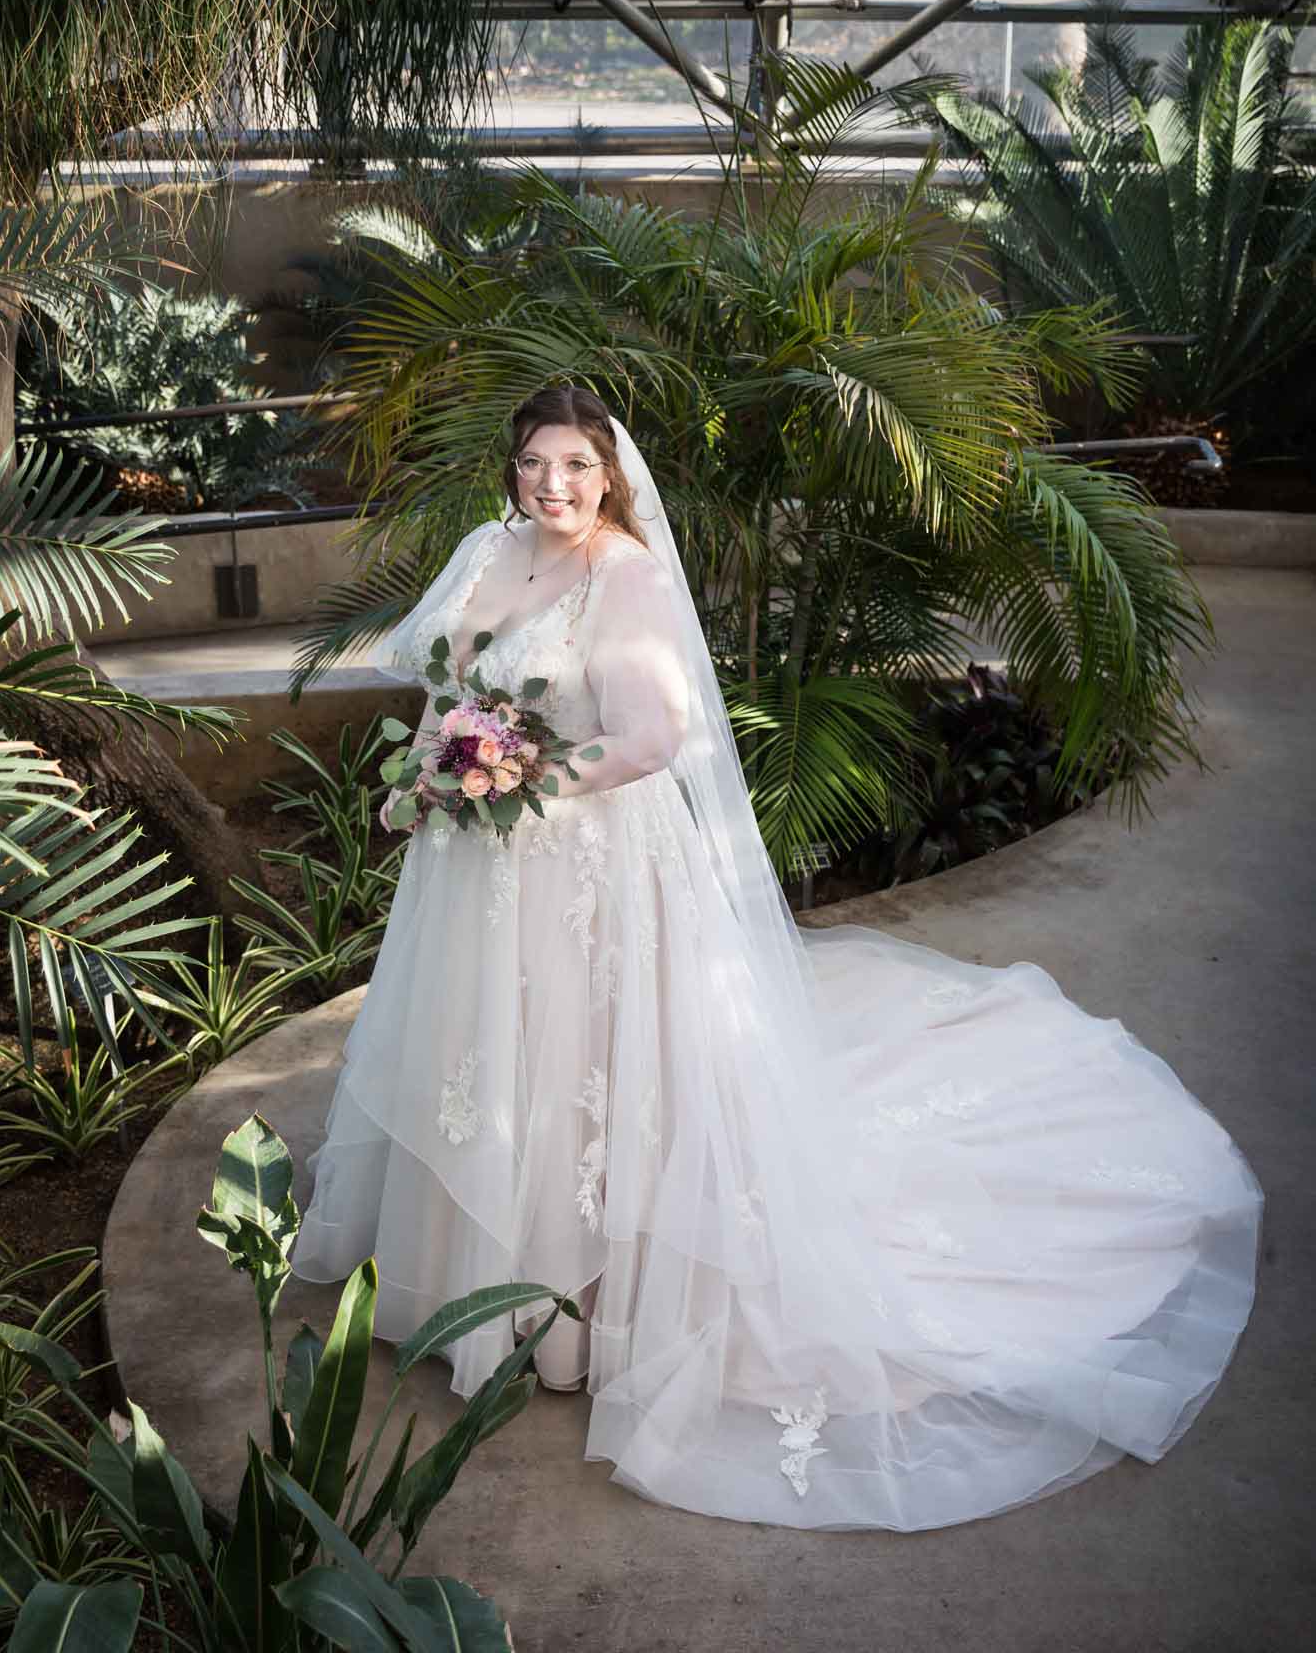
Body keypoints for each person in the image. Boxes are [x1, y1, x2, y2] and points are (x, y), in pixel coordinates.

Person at [291, 381, 1262, 1532]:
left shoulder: (630, 574)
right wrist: (441, 765)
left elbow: (652, 738)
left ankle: (582, 1298)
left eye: (575, 466)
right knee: (486, 1061)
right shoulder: (484, 548)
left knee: (585, 1065)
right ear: (511, 470)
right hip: (476, 871)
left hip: (590, 866)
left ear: (610, 475)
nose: (553, 485)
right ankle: (479, 1284)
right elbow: (446, 679)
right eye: (535, 464)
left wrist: (510, 775)